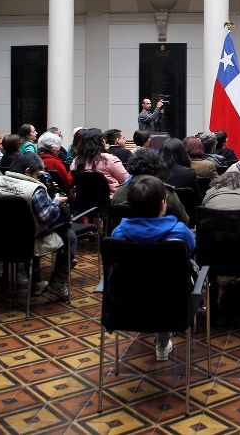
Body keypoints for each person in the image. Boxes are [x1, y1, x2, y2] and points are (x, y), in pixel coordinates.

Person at [110, 175, 195, 361]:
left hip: (129, 301)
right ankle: (163, 340)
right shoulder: (180, 232)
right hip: (173, 300)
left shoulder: (118, 234)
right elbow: (192, 247)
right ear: (163, 204)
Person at [0, 153, 76, 301]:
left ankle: (31, 281)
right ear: (27, 171)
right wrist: (56, 202)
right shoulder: (34, 190)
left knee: (22, 226)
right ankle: (58, 283)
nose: (38, 178)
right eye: (37, 174)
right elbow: (46, 217)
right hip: (28, 239)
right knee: (69, 235)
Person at [113, 150, 188, 224]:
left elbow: (114, 221)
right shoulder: (167, 192)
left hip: (126, 232)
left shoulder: (119, 192)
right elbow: (184, 220)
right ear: (157, 167)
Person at [72, 127, 129, 196]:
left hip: (83, 199)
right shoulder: (109, 159)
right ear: (100, 142)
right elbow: (126, 180)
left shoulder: (76, 161)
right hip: (111, 199)